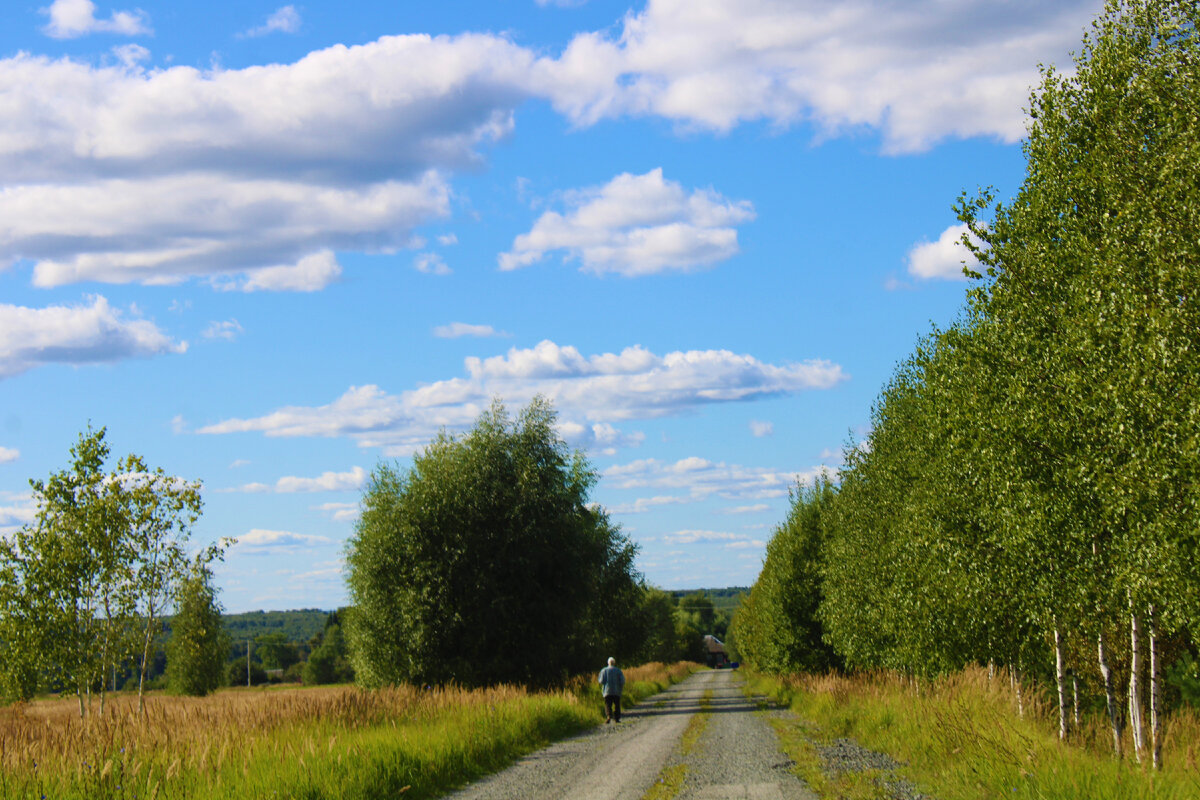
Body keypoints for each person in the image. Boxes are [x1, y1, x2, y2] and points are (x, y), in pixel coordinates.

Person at [598, 656, 625, 723]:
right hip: (617, 691)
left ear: (608, 663)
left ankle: (609, 716)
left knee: (608, 704)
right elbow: (622, 681)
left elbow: (601, 681)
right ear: (614, 663)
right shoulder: (618, 671)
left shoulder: (604, 670)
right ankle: (617, 718)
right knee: (617, 705)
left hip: (607, 691)